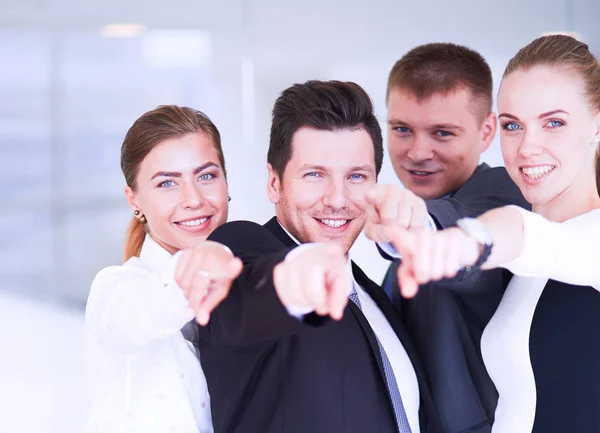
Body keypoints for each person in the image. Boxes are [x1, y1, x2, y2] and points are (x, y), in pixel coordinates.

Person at [380, 35, 600, 433]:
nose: (527, 146)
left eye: (554, 123)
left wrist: (465, 241)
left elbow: (519, 232)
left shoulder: (584, 239)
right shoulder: (528, 269)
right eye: (513, 125)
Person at [197, 80, 441, 433]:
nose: (338, 199)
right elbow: (245, 302)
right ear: (274, 182)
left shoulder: (374, 296)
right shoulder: (243, 247)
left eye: (356, 176)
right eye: (315, 175)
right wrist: (293, 278)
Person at [377, 43, 529, 433]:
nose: (417, 152)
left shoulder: (505, 196)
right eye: (402, 130)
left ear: (486, 131)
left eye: (442, 133)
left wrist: (415, 231)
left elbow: (464, 236)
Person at [83, 105, 242, 433]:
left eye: (206, 175)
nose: (194, 199)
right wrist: (204, 263)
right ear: (134, 200)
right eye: (168, 184)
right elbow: (146, 311)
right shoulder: (116, 289)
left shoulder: (245, 293)